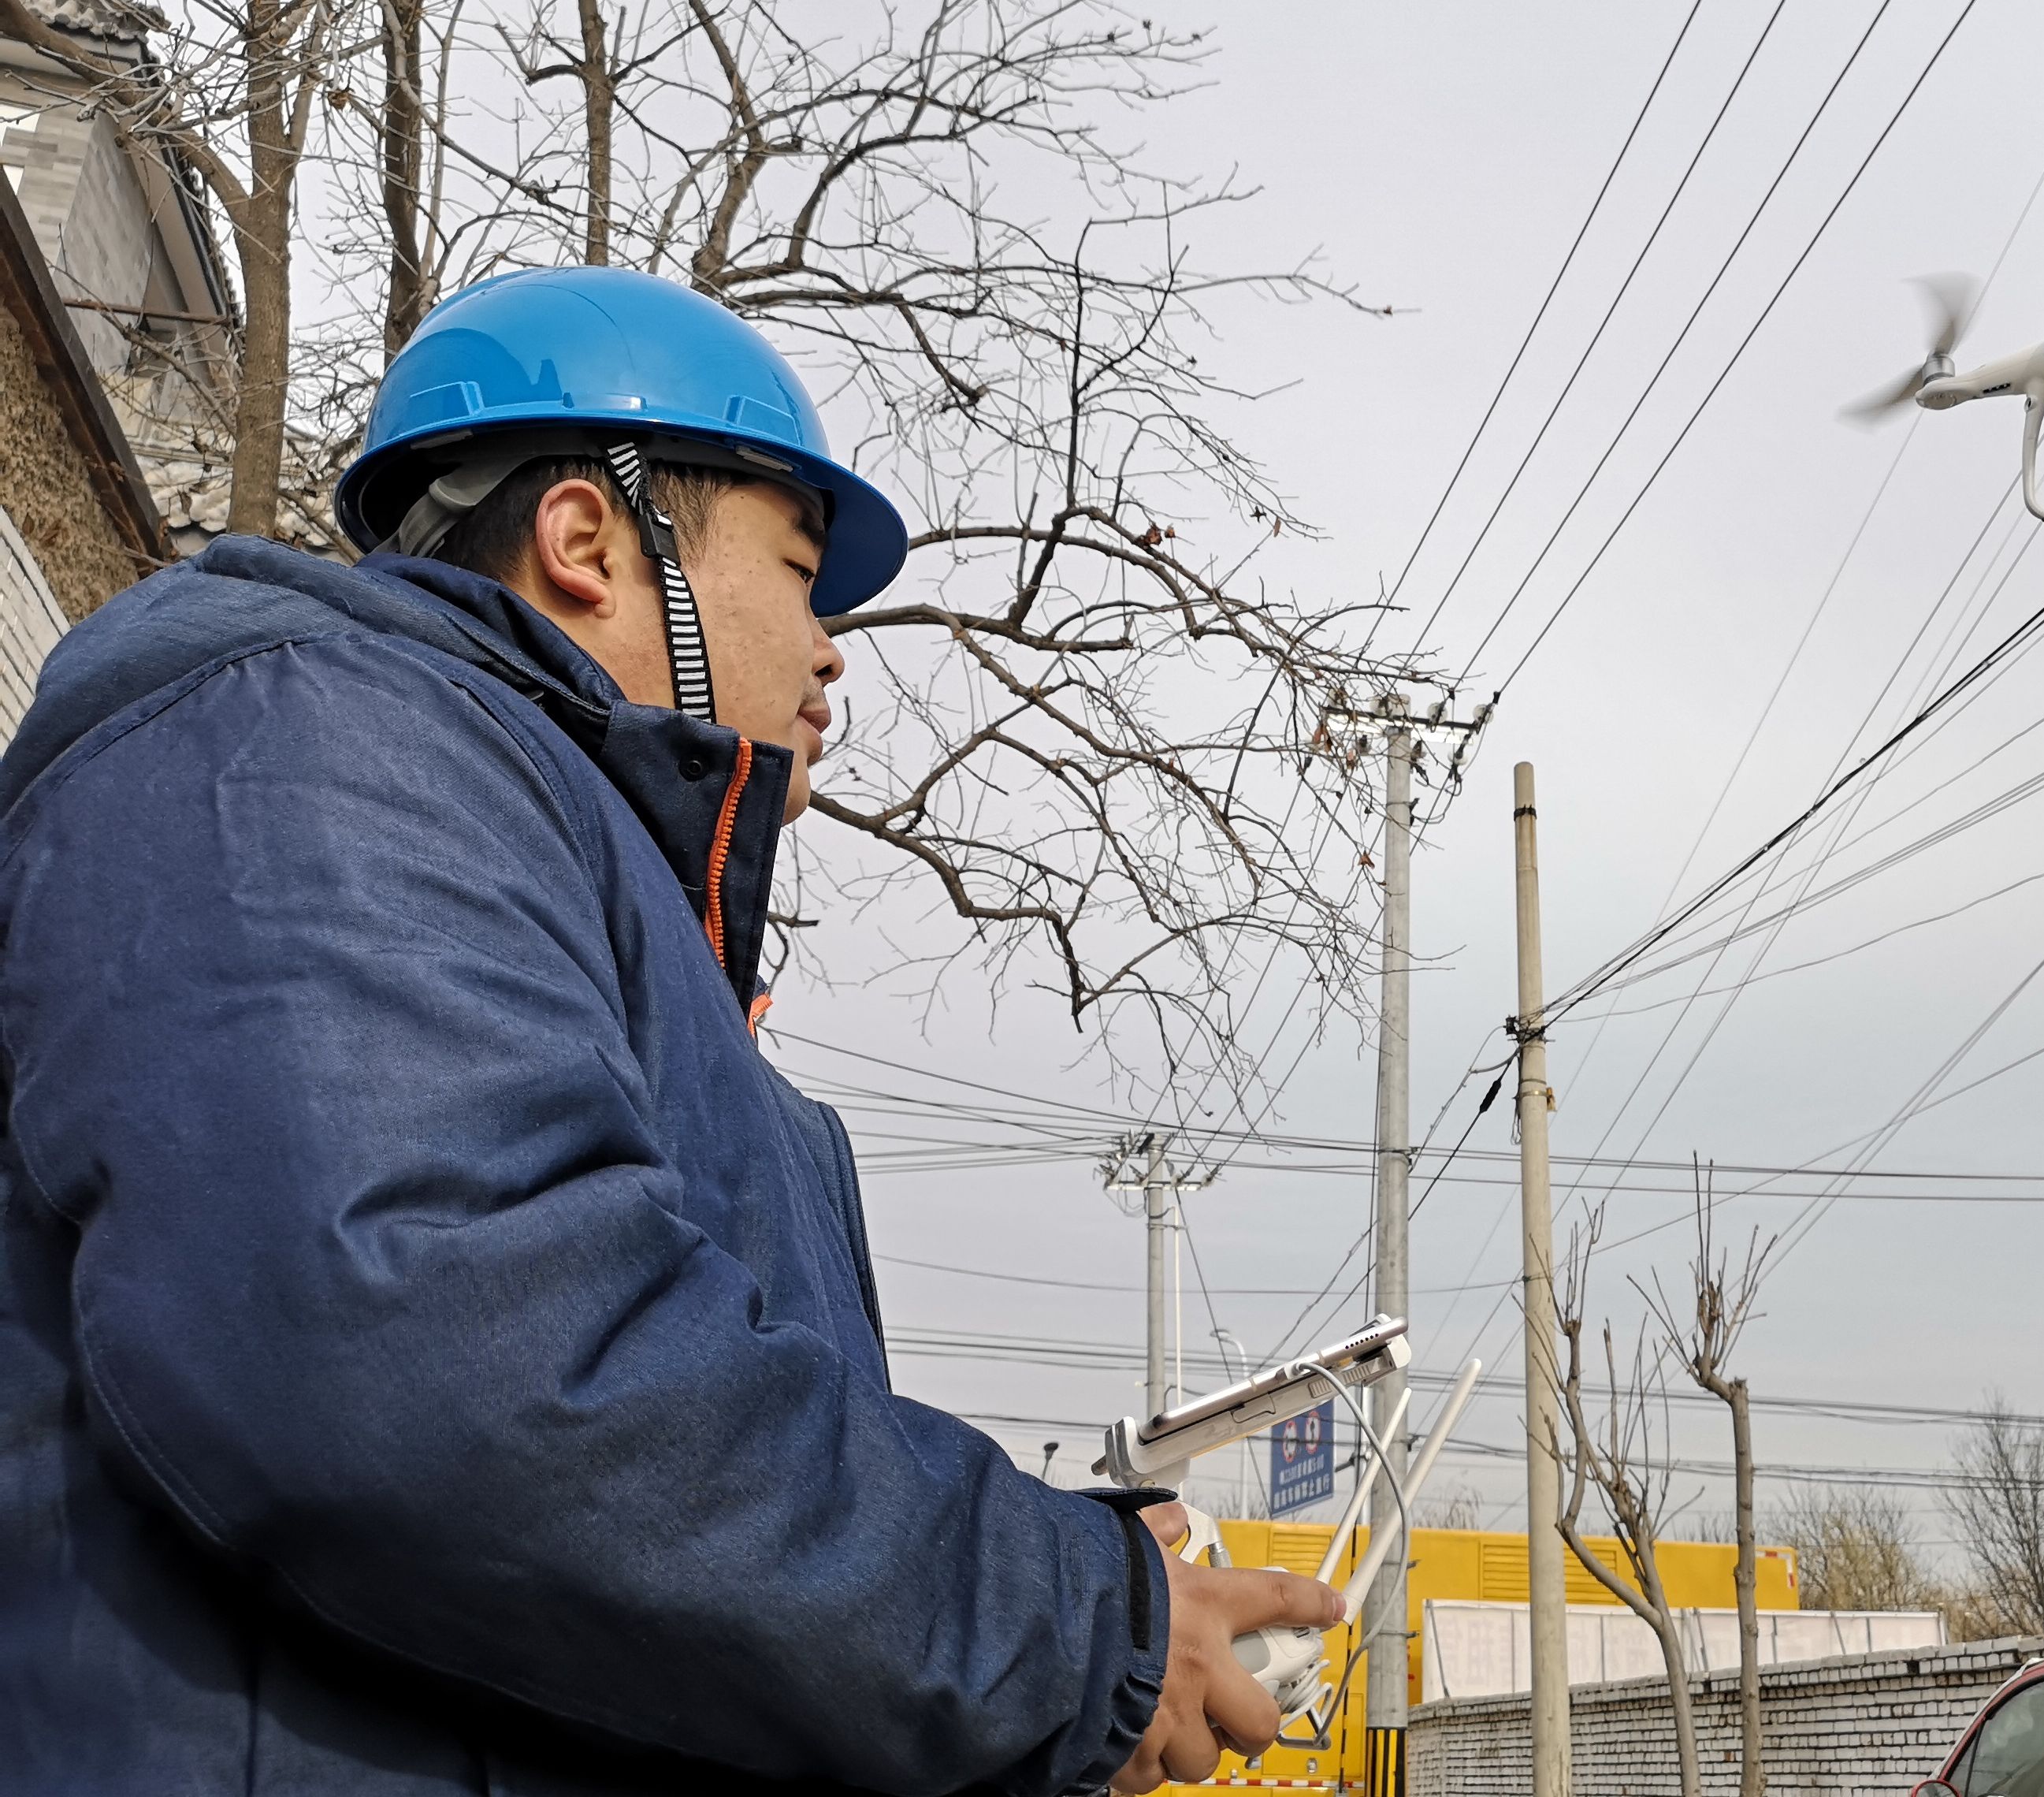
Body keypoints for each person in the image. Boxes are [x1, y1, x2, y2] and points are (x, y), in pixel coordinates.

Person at [0, 266, 1338, 1794]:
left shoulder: (533, 850)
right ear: (588, 540)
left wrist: (1071, 1583)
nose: (835, 650)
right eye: (797, 572)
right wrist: (1065, 1614)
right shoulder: (303, 738)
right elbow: (446, 1358)